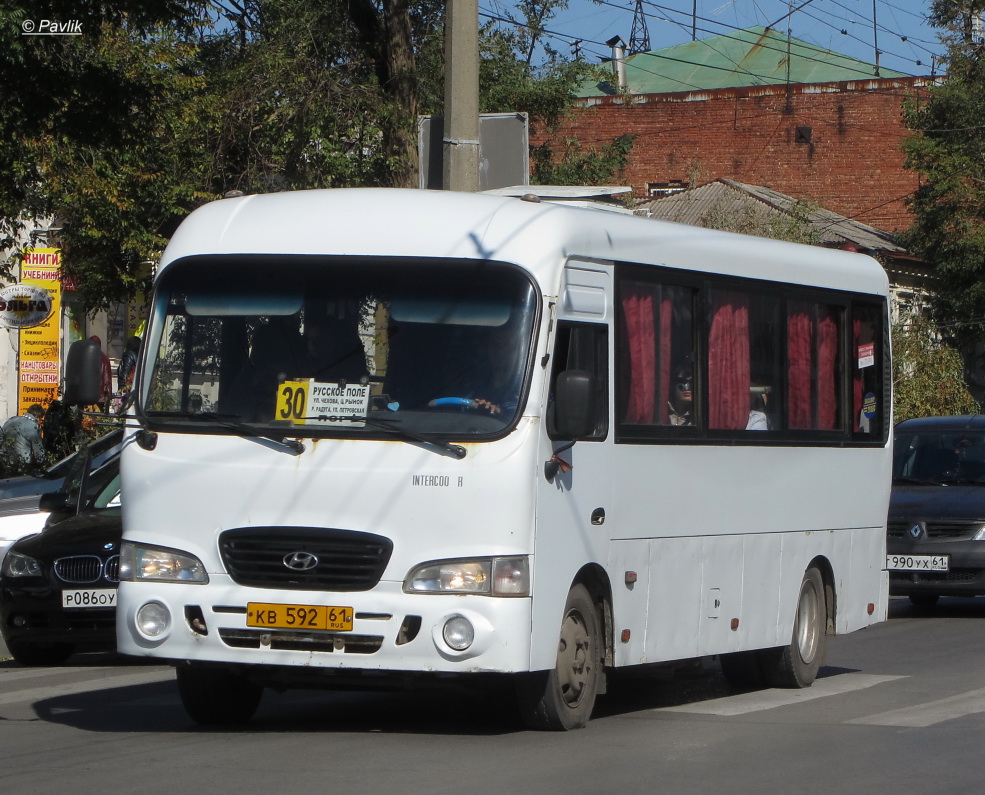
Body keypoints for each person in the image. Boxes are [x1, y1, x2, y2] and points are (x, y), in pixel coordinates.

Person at [90, 335, 113, 409]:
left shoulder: (87, 357)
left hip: (88, 397)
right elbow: (108, 379)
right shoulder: (105, 358)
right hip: (101, 397)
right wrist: (108, 396)